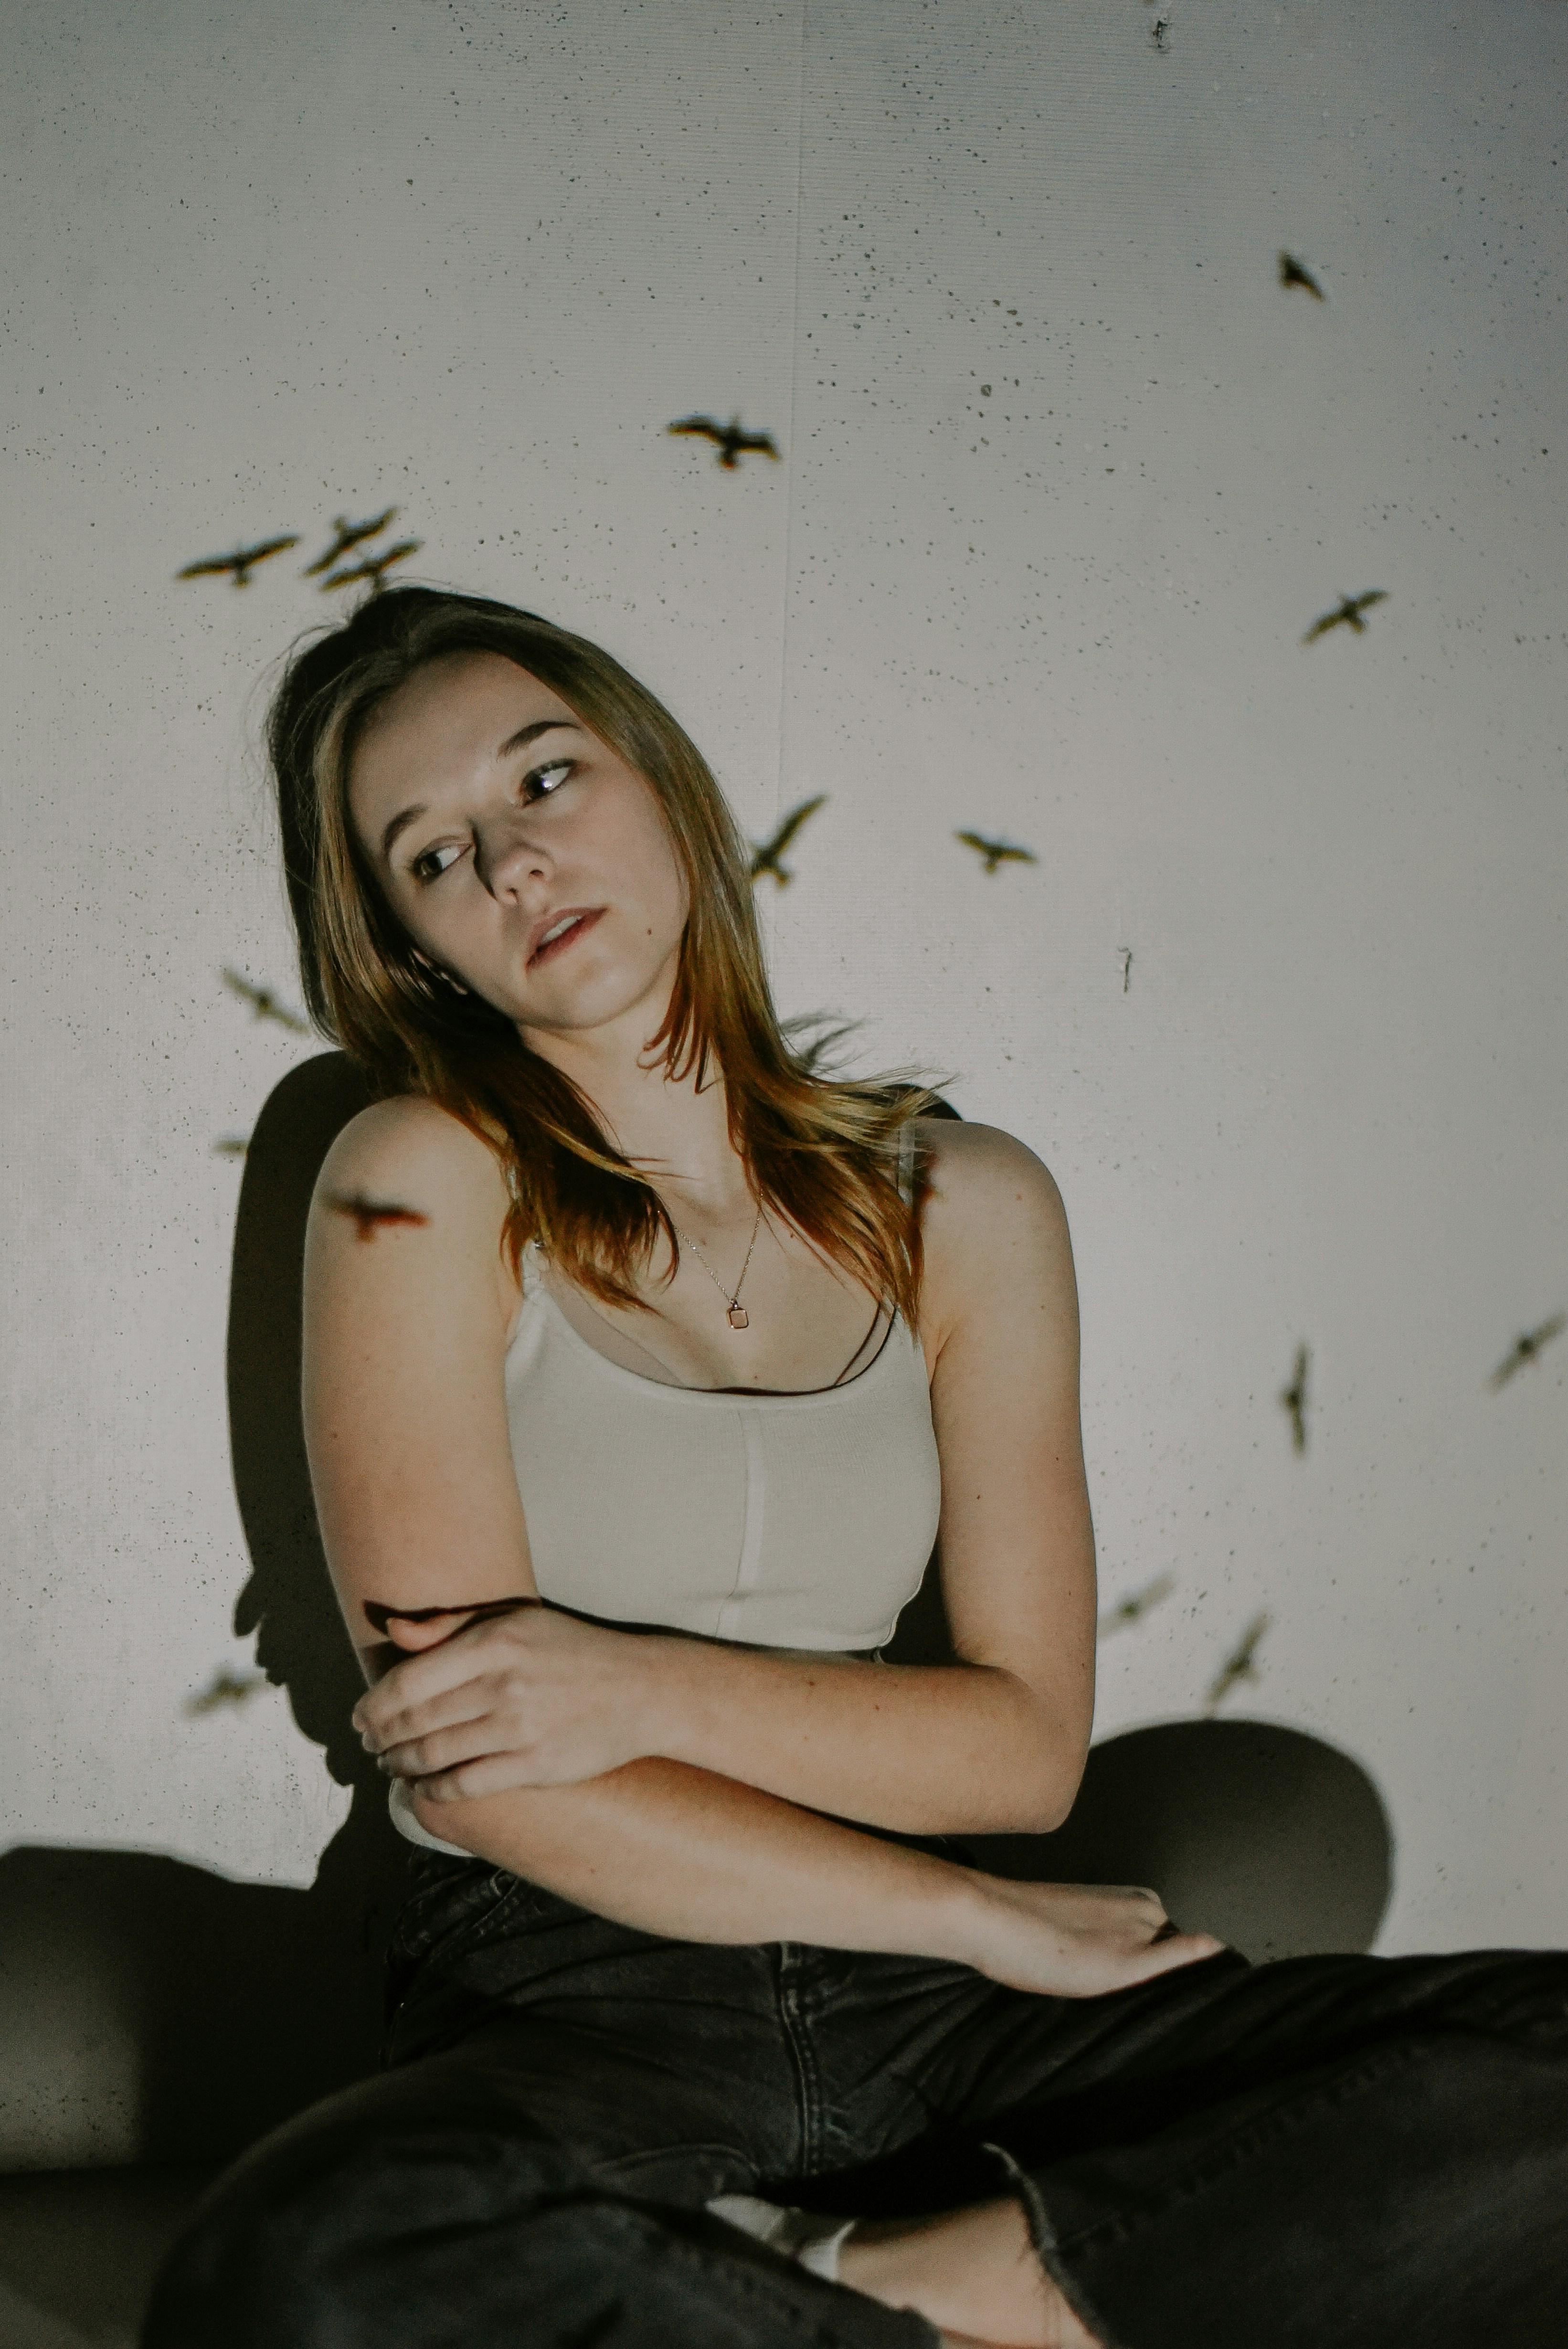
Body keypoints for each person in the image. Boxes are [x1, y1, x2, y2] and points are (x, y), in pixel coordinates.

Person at [146, 588, 1566, 2349]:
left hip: (942, 2010)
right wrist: (983, 1918)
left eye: (544, 778)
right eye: (433, 855)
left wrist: (628, 1683)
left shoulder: (967, 1204)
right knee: (308, 2267)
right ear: (417, 947)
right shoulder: (414, 1174)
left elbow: (1027, 1746)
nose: (510, 863)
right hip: (576, 1990)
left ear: (666, 791)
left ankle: (880, 2284)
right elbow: (488, 1777)